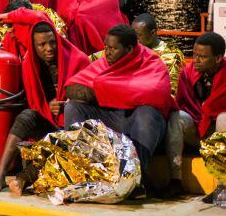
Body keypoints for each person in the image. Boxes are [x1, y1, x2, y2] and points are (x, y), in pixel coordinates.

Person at [0, 9, 90, 195]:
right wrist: (47, 108)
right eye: (42, 45)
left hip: (71, 125)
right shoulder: (30, 64)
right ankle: (0, 174)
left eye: (52, 43)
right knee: (25, 116)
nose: (48, 48)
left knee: (61, 143)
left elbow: (88, 97)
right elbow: (34, 104)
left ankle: (22, 179)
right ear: (33, 46)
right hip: (48, 119)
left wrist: (68, 105)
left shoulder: (78, 59)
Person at [64, 25, 175, 197]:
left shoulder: (152, 62)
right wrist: (109, 92)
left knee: (147, 112)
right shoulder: (104, 61)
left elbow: (155, 93)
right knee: (73, 107)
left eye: (114, 48)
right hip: (113, 118)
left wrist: (103, 90)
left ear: (130, 49)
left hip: (138, 122)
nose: (107, 52)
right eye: (106, 47)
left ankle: (136, 177)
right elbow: (72, 88)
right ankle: (85, 172)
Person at [163, 32, 226, 197]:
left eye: (202, 57)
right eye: (195, 54)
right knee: (177, 116)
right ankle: (175, 180)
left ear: (218, 58)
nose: (196, 60)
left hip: (218, 131)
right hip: (197, 128)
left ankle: (222, 185)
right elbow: (180, 102)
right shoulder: (187, 72)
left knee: (223, 119)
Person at [131, 13, 185, 95]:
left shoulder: (171, 54)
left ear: (152, 33)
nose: (135, 40)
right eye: (133, 36)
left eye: (139, 36)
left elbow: (172, 90)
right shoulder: (133, 49)